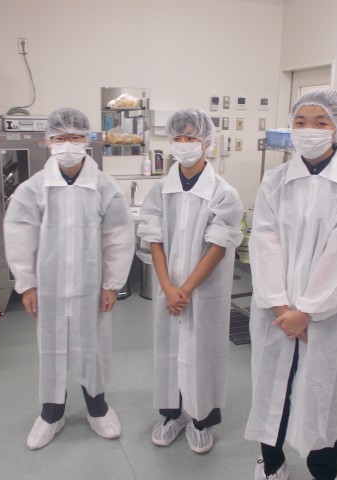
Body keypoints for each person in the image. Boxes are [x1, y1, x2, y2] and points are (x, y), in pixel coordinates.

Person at [245, 89, 337, 480]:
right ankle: (272, 463)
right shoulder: (276, 180)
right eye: (301, 122)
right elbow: (265, 240)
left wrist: (307, 311)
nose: (309, 130)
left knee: (320, 392)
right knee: (272, 386)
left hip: (326, 314)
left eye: (320, 122)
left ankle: (322, 472)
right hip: (276, 312)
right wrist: (282, 307)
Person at [4, 107, 135, 450]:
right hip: (49, 287)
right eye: (60, 138)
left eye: (75, 137)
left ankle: (97, 406)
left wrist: (112, 284)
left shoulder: (105, 187)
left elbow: (119, 237)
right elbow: (19, 236)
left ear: (87, 140)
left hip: (91, 286)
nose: (68, 144)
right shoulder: (34, 188)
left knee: (93, 345)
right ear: (48, 141)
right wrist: (26, 284)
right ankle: (52, 412)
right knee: (51, 346)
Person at [137, 108, 244, 454]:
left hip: (205, 290)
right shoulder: (160, 190)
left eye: (192, 137)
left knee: (204, 350)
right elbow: (153, 239)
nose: (184, 143)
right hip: (168, 288)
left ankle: (201, 420)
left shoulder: (224, 193)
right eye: (179, 137)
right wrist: (168, 288)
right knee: (169, 348)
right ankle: (172, 415)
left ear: (207, 142)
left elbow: (218, 246)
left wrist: (185, 290)